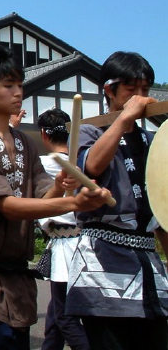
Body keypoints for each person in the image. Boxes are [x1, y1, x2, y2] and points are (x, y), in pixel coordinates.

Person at [0, 46, 110, 349]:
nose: (18, 92)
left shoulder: (24, 142)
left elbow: (44, 195)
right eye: (8, 85)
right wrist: (73, 203)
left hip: (16, 274)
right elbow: (6, 206)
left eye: (19, 84)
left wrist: (62, 184)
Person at [65, 51, 168, 350]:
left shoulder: (152, 140)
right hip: (102, 260)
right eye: (131, 89)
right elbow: (92, 166)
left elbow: (160, 207)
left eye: (146, 90)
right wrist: (124, 118)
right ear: (109, 89)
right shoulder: (88, 130)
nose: (140, 97)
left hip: (147, 258)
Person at [35, 109, 89, 350]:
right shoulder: (85, 161)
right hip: (85, 239)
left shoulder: (40, 164)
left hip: (67, 242)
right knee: (57, 313)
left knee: (66, 316)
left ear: (44, 134)